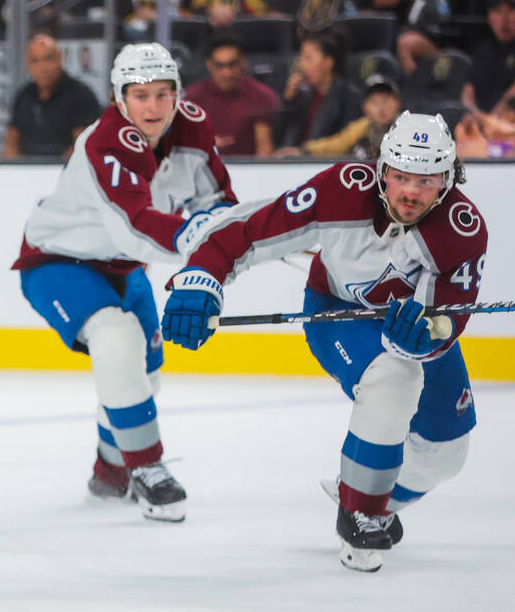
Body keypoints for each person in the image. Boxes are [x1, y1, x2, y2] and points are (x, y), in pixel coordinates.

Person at [161, 112, 486, 572]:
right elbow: (252, 231)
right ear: (381, 170)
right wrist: (200, 280)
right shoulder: (341, 189)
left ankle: (368, 492)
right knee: (395, 377)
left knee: (445, 454)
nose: (411, 192)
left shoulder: (462, 230)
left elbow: (446, 320)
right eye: (400, 177)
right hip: (334, 311)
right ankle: (361, 514)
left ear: (448, 180)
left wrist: (425, 337)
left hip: (404, 327)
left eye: (427, 180)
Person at [12, 43, 237, 522]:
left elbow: (216, 202)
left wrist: (242, 239)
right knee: (117, 338)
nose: (152, 108)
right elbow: (136, 227)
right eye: (139, 95)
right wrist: (210, 242)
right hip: (58, 261)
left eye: (162, 94)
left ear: (178, 93)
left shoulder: (193, 125)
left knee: (145, 375)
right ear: (119, 98)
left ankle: (111, 470)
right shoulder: (106, 141)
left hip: (124, 266)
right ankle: (147, 466)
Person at [3, 34, 102, 159]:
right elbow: (11, 143)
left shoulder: (81, 95)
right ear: (27, 65)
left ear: (60, 59)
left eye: (48, 59)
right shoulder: (23, 96)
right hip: (26, 171)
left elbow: (83, 145)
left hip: (65, 171)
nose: (43, 68)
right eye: (35, 61)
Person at [183, 32, 279, 157]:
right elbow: (181, 144)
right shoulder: (191, 98)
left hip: (249, 170)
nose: (227, 73)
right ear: (209, 65)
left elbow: (264, 150)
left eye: (232, 64)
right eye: (219, 66)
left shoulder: (261, 96)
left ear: (243, 62)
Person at [277, 32, 361, 151]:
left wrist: (304, 153)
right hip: (291, 164)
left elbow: (345, 144)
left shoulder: (349, 98)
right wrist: (287, 101)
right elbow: (277, 138)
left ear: (328, 62)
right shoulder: (301, 95)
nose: (301, 66)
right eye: (301, 58)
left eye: (308, 58)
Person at [290, 73, 402, 158]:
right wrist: (305, 150)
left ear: (398, 102)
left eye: (386, 100)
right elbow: (336, 145)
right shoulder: (362, 127)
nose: (381, 108)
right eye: (374, 102)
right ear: (365, 108)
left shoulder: (408, 125)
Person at [372, 0, 449, 75]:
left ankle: (412, 85)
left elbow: (442, 13)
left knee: (404, 43)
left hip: (425, 33)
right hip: (391, 28)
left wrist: (405, 0)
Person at [461, 0, 515, 117]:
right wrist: (476, 117)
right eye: (498, 11)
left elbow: (511, 97)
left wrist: (490, 121)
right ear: (489, 17)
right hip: (480, 127)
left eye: (511, 10)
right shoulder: (482, 52)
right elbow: (467, 96)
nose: (505, 18)